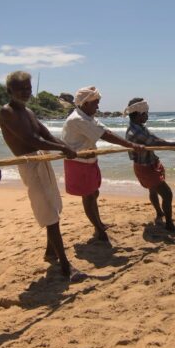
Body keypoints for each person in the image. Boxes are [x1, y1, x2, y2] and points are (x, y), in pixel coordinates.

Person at [0, 71, 84, 282]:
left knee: (52, 206)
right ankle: (65, 266)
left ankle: (50, 251)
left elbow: (45, 134)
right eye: (21, 89)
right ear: (10, 91)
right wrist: (62, 150)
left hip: (40, 159)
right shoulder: (7, 112)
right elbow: (31, 139)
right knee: (48, 212)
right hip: (28, 162)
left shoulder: (28, 111)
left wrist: (65, 147)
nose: (26, 92)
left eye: (28, 88)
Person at [62, 86, 144, 243]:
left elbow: (106, 130)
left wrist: (129, 143)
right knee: (88, 196)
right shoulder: (77, 119)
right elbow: (105, 135)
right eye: (95, 103)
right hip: (78, 162)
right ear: (85, 104)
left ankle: (98, 224)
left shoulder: (87, 116)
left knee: (94, 193)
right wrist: (131, 145)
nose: (98, 107)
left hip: (89, 160)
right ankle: (99, 229)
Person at [124, 97, 175, 232]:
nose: (147, 115)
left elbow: (155, 140)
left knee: (153, 190)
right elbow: (155, 142)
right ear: (139, 114)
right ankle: (169, 224)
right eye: (145, 113)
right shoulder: (135, 132)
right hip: (145, 167)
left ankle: (159, 212)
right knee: (167, 194)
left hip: (150, 163)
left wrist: (174, 146)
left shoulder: (138, 127)